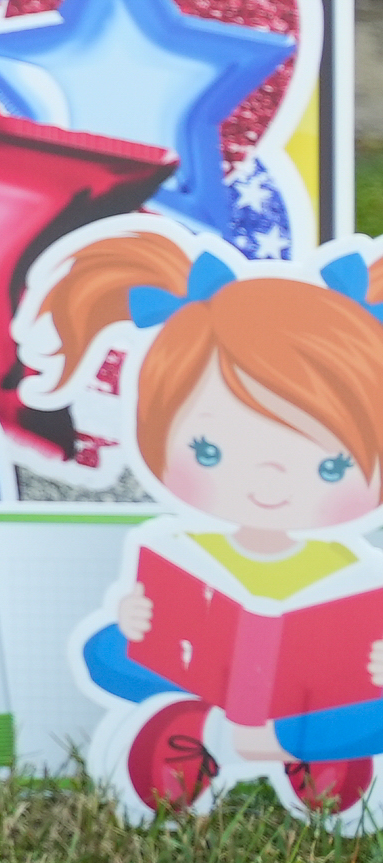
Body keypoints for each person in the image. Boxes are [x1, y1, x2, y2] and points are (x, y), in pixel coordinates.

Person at [49, 233, 383, 825]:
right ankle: (216, 728)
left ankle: (270, 746)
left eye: (330, 466)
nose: (270, 485)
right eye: (210, 450)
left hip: (310, 702)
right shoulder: (184, 552)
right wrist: (135, 622)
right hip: (202, 679)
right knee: (106, 651)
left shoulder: (350, 573)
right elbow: (129, 647)